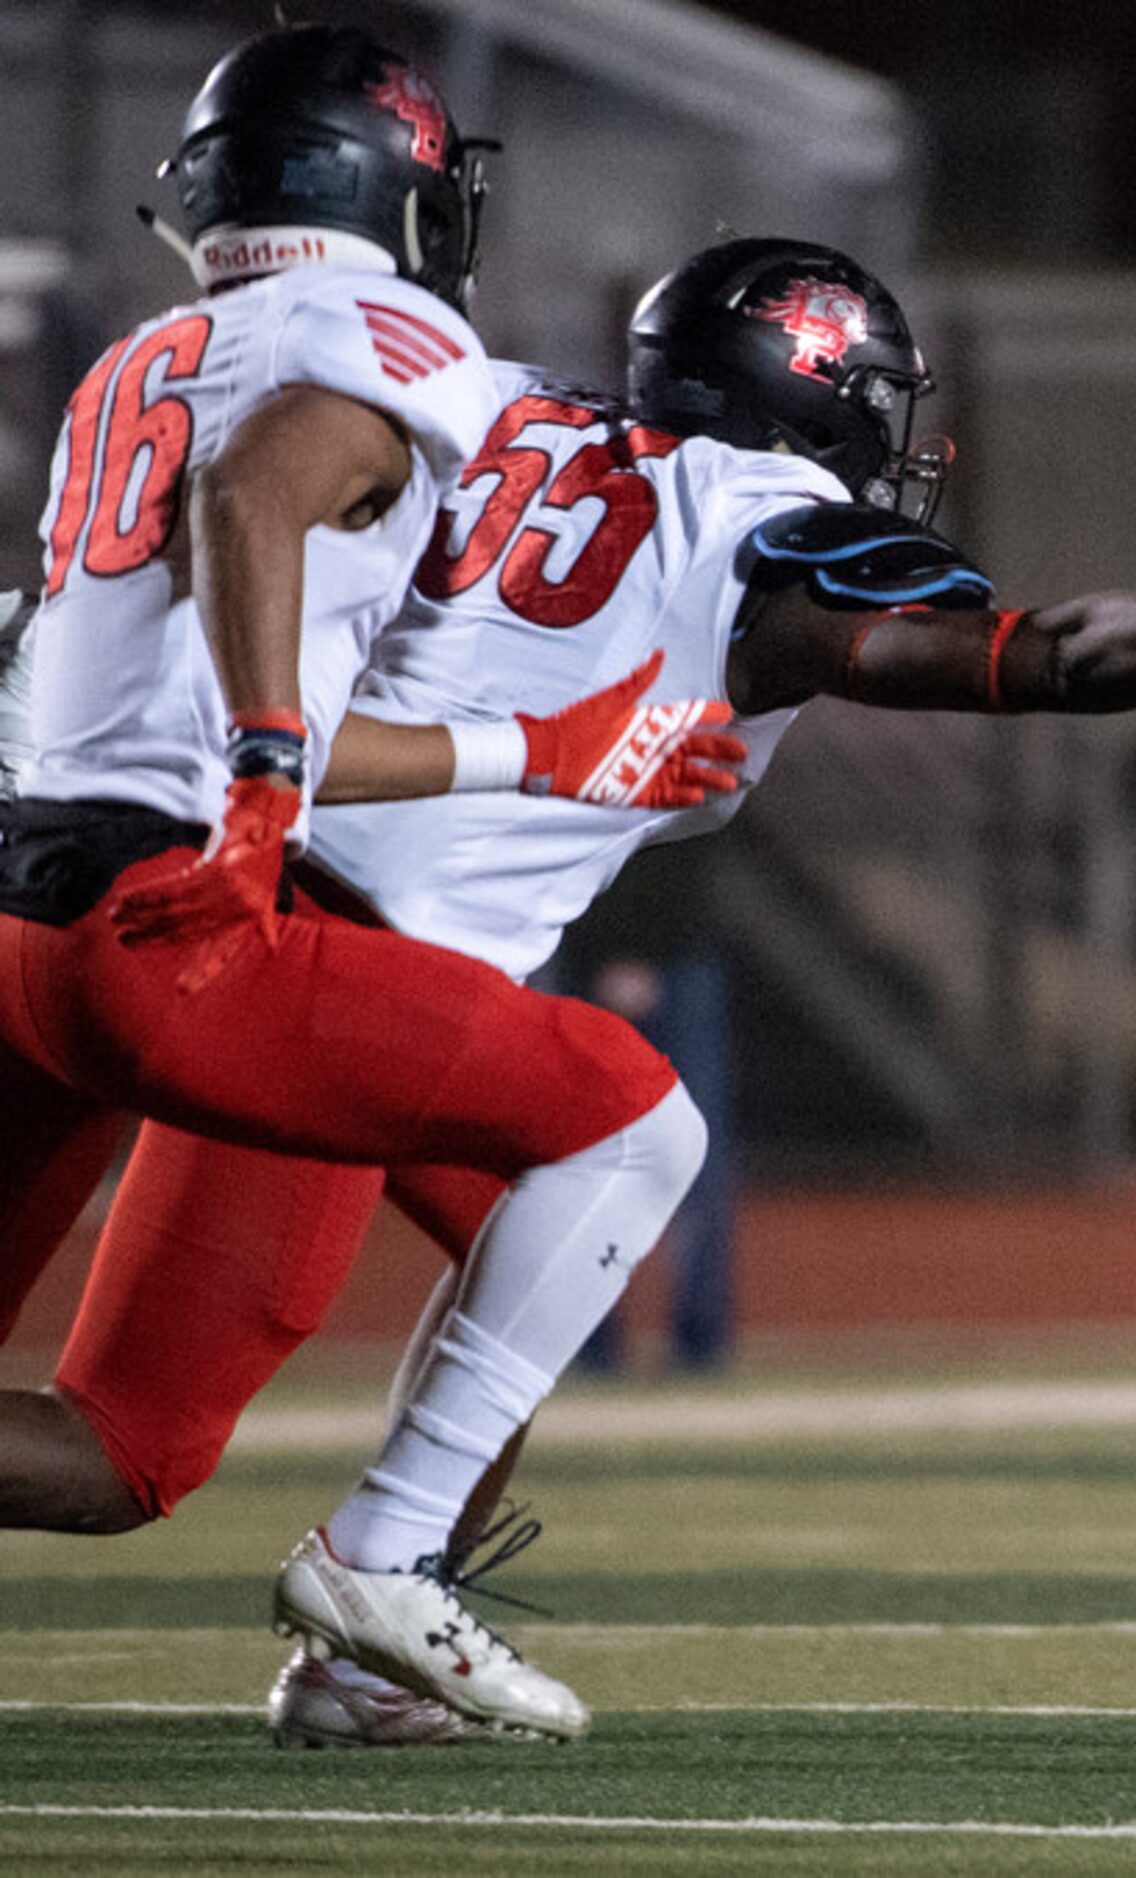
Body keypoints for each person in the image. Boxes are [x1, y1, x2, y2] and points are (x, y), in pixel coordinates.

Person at [3, 234, 1136, 1747]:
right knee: (151, 1435)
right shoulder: (756, 522)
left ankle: (377, 1650)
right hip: (322, 971)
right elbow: (1044, 654)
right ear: (826, 394)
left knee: (525, 1253)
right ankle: (380, 1573)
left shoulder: (493, 407)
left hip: (179, 870)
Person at [0, 27, 814, 1744]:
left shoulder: (138, 352)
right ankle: (379, 1594)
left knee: (507, 1224)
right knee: (624, 1122)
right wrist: (271, 771)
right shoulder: (389, 333)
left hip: (26, 902)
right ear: (400, 196)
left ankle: (381, 1635)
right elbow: (258, 493)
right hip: (187, 916)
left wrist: (526, 751)